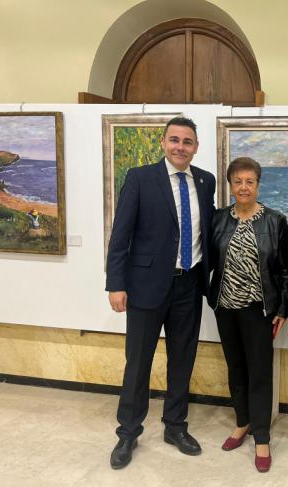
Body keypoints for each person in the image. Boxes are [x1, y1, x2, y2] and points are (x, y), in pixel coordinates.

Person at [105, 117, 216, 469]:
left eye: (187, 141)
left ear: (196, 147)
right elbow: (121, 234)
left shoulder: (205, 181)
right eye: (174, 140)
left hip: (189, 284)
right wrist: (116, 283)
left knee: (182, 360)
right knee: (138, 362)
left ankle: (175, 426)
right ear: (163, 143)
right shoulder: (140, 178)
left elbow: (207, 232)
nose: (180, 146)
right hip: (146, 286)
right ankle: (128, 432)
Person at [208, 157, 288, 473]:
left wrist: (282, 308)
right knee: (236, 369)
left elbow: (285, 271)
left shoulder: (274, 221)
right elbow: (209, 262)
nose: (244, 187)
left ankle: (262, 437)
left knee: (259, 373)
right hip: (226, 309)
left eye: (250, 181)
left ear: (258, 184)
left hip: (259, 311)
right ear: (230, 185)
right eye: (238, 181)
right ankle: (242, 423)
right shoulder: (218, 220)